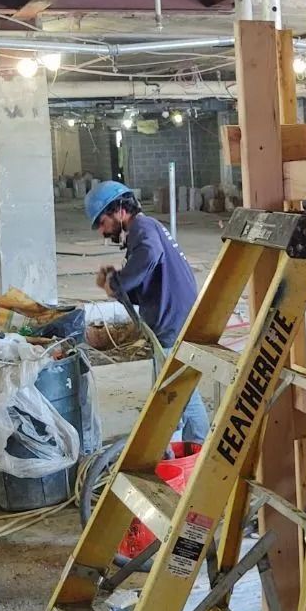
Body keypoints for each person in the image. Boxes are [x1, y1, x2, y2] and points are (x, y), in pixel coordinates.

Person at [84, 180, 209, 444]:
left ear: (119, 210)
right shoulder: (145, 230)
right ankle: (183, 447)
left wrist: (117, 283)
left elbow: (149, 256)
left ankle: (193, 451)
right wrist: (117, 284)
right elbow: (146, 279)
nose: (102, 231)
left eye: (102, 222)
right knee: (176, 390)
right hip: (174, 317)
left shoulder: (143, 229)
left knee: (177, 393)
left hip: (172, 322)